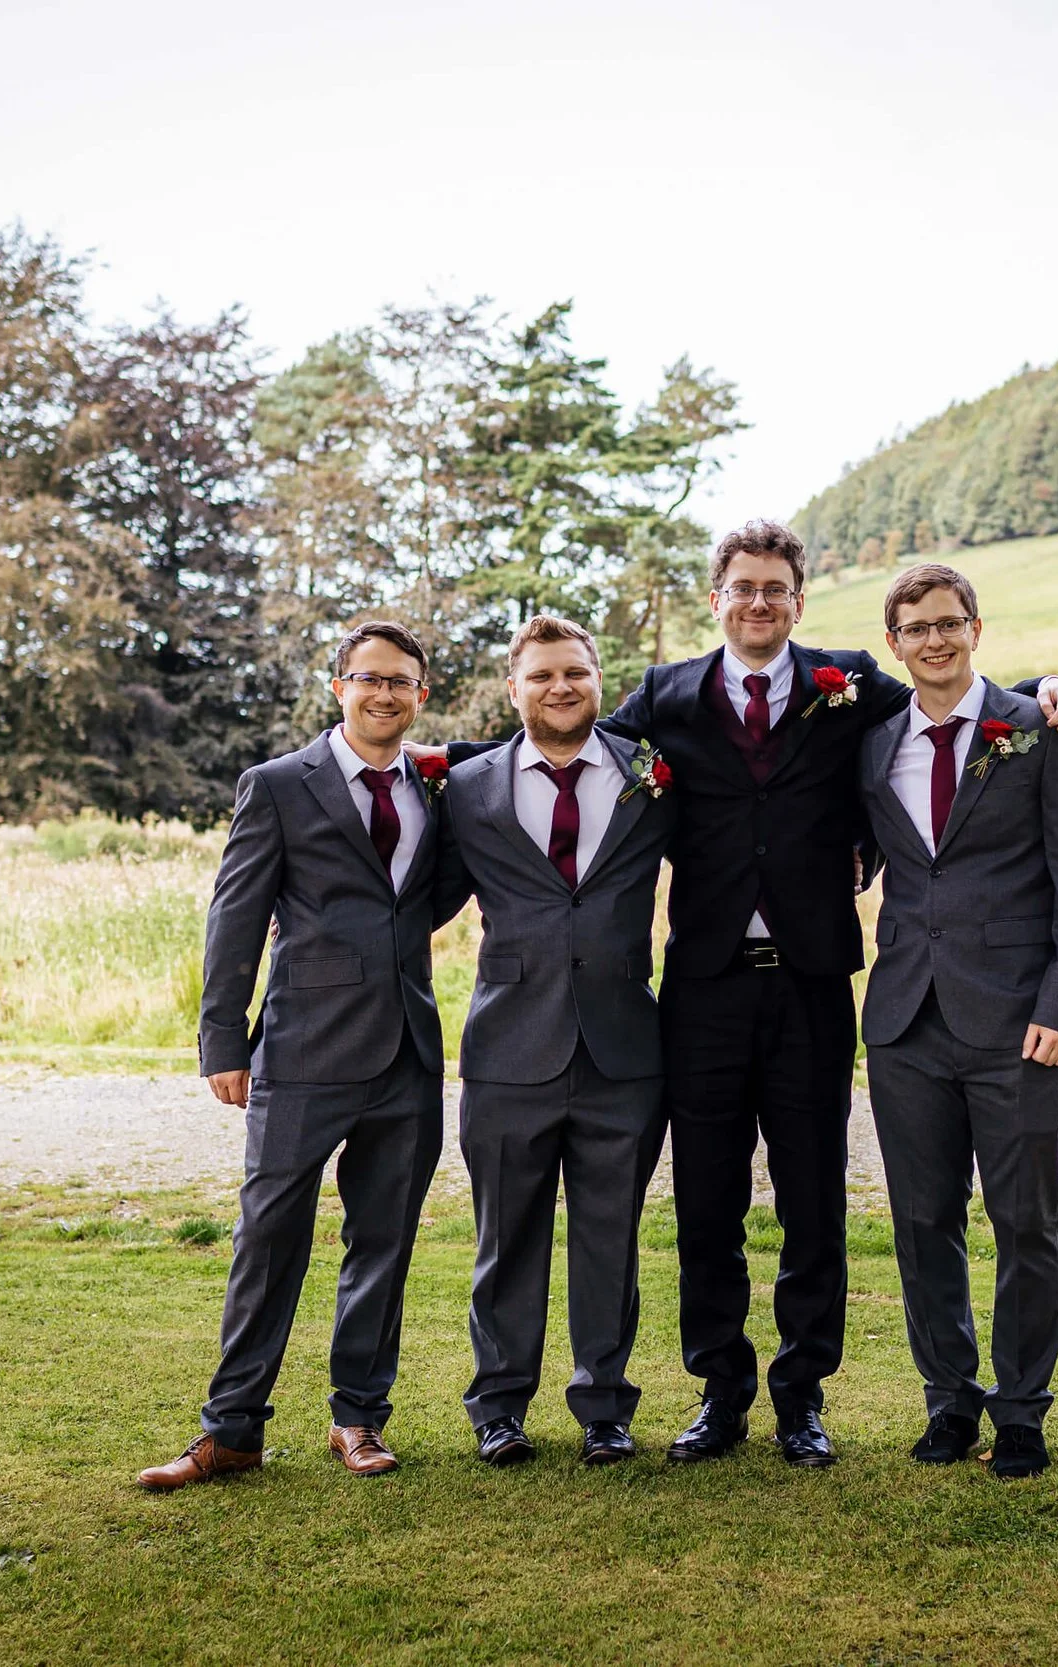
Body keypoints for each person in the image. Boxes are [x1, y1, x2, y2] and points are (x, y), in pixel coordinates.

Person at [488, 518, 1058, 1469]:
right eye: (743, 587)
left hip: (812, 985)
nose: (759, 602)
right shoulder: (667, 695)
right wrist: (430, 762)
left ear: (799, 601)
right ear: (717, 599)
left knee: (815, 1203)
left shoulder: (846, 683)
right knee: (707, 1203)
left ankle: (802, 1395)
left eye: (776, 588)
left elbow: (958, 697)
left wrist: (1050, 684)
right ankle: (720, 1391)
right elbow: (567, 737)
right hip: (704, 989)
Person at [137, 620, 459, 1491]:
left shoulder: (439, 785)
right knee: (268, 1239)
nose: (384, 692)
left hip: (408, 1051)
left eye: (400, 680)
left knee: (383, 1243)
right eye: (368, 678)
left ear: (421, 694)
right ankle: (231, 1429)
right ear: (338, 686)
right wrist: (222, 1036)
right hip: (302, 1048)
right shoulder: (278, 784)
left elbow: (428, 893)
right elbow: (235, 914)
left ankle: (358, 1417)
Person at [856, 563, 1058, 1480]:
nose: (935, 639)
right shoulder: (873, 742)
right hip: (904, 1021)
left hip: (1020, 1024)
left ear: (975, 627)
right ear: (894, 643)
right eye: (916, 627)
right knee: (923, 1221)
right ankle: (949, 1400)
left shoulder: (1041, 730)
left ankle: (1023, 1410)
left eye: (949, 622)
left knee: (1025, 1221)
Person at [431, 614, 678, 1468]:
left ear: (599, 679)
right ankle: (499, 1406)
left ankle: (604, 1406)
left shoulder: (651, 773)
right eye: (541, 675)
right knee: (507, 1240)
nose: (559, 686)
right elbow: (419, 892)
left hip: (624, 1047)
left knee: (611, 1239)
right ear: (514, 688)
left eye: (574, 671)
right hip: (509, 1045)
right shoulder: (469, 788)